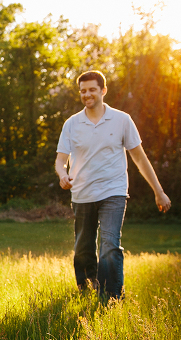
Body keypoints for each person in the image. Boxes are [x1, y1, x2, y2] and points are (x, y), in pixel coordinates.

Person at [55, 70, 171, 303]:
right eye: (83, 91)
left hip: (113, 191)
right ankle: (87, 290)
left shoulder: (122, 120)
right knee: (83, 248)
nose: (87, 94)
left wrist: (159, 192)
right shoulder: (72, 124)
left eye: (92, 90)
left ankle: (112, 297)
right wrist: (62, 175)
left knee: (110, 243)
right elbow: (60, 160)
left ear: (103, 91)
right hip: (82, 193)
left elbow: (139, 158)